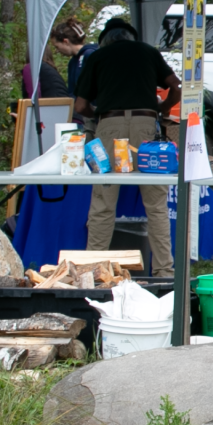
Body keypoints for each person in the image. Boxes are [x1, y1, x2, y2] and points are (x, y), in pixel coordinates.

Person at [69, 17, 178, 275]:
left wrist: (100, 110)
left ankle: (94, 272)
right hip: (145, 124)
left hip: (110, 126)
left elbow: (81, 107)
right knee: (156, 204)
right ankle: (164, 271)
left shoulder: (97, 57)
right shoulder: (148, 52)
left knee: (103, 203)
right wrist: (161, 107)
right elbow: (174, 85)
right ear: (131, 36)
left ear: (105, 39)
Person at [36, 19, 85, 99]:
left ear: (65, 42)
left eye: (57, 47)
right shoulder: (73, 62)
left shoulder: (90, 56)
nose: (57, 51)